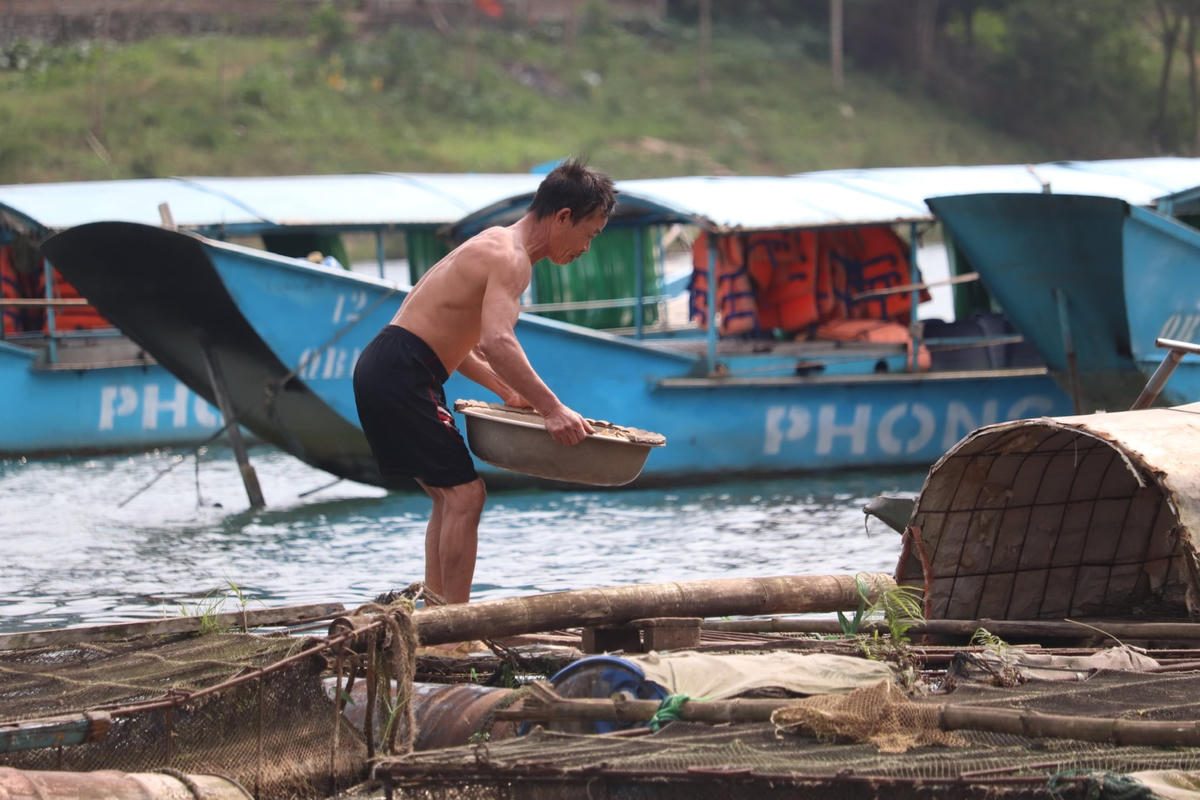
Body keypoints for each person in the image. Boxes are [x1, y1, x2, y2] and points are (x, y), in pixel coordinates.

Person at [353, 158, 616, 605]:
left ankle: (436, 621)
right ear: (563, 218)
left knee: (449, 497)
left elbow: (462, 343)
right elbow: (497, 341)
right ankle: (455, 631)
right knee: (466, 497)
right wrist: (553, 409)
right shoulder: (511, 258)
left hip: (392, 366)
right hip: (402, 371)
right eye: (589, 234)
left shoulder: (495, 245)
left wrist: (508, 391)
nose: (587, 248)